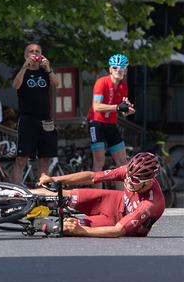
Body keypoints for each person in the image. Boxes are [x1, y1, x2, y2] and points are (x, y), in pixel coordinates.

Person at [36, 152, 164, 237]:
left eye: (135, 180)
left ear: (147, 182)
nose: (129, 182)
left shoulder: (151, 203)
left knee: (68, 227)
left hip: (115, 223)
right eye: (128, 177)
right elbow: (92, 177)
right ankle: (18, 194)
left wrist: (82, 231)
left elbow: (118, 230)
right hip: (111, 201)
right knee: (62, 194)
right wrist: (54, 179)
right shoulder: (129, 172)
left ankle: (41, 224)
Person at [11, 43, 59, 185]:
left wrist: (48, 68)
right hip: (27, 119)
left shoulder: (45, 72)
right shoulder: (20, 71)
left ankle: (43, 192)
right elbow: (15, 86)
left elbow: (56, 83)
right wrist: (25, 67)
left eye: (37, 51)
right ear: (26, 56)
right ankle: (16, 193)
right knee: (21, 159)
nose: (34, 53)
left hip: (45, 120)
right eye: (31, 51)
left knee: (45, 159)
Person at [89, 54, 135, 188]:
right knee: (99, 161)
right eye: (115, 67)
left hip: (111, 124)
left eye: (121, 68)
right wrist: (117, 107)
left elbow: (122, 110)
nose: (118, 70)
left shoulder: (123, 86)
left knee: (122, 162)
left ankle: (122, 199)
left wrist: (127, 110)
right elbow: (96, 107)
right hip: (96, 123)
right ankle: (98, 198)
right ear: (110, 69)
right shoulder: (101, 82)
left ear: (125, 71)